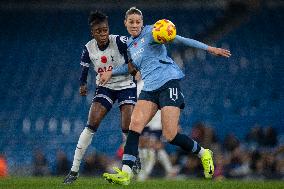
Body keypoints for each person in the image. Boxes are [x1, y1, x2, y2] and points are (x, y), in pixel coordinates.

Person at [102, 7, 231, 185]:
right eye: (131, 22)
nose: (134, 25)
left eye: (137, 21)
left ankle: (204, 153)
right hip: (149, 88)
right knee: (135, 126)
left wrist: (208, 48)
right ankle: (126, 174)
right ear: (125, 23)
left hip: (168, 83)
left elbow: (178, 38)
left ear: (142, 22)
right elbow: (130, 68)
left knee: (170, 135)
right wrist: (111, 73)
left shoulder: (152, 31)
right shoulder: (130, 46)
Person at [63, 11, 138, 184]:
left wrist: (126, 71)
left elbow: (132, 66)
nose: (103, 34)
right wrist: (82, 84)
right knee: (92, 124)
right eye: (99, 31)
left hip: (126, 86)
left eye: (105, 30)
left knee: (127, 126)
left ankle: (132, 159)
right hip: (105, 87)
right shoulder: (88, 48)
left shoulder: (119, 41)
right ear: (93, 33)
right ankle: (74, 170)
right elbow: (84, 69)